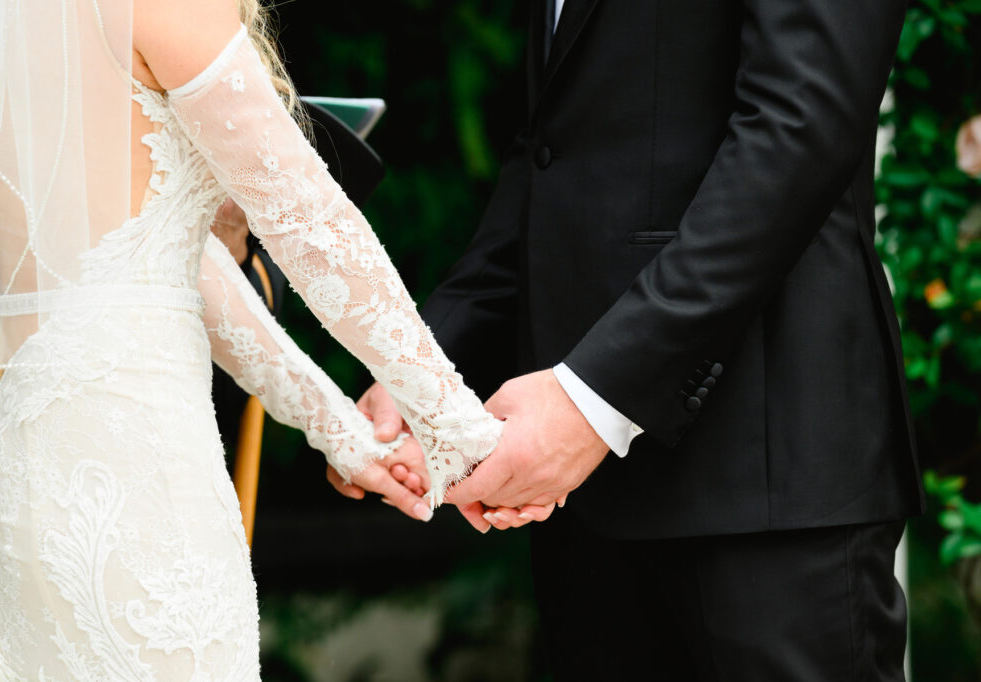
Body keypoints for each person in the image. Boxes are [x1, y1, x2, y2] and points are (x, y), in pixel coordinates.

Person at [0, 0, 557, 677]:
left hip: (10, 464)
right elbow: (311, 223)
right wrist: (464, 434)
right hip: (131, 474)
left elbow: (150, 253)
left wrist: (338, 428)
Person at [343, 0, 926, 679]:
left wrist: (592, 401)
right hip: (584, 505)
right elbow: (554, 156)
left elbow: (803, 128)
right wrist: (422, 368)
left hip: (765, 480)